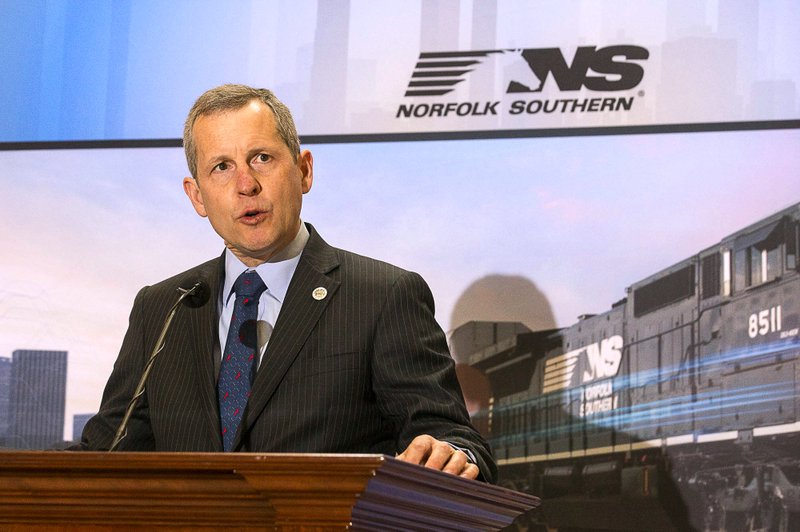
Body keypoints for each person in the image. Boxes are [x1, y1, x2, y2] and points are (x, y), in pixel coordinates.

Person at [76, 84, 495, 482]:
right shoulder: (164, 307)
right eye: (221, 167)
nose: (246, 185)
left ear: (303, 170)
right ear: (197, 196)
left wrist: (452, 455)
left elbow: (453, 439)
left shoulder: (383, 296)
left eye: (261, 158)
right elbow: (107, 451)